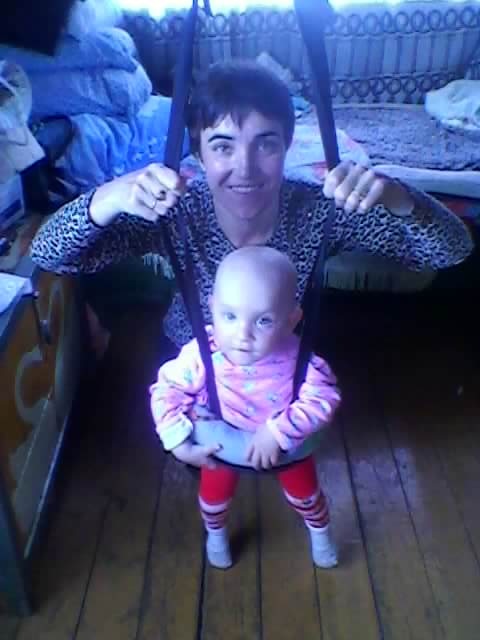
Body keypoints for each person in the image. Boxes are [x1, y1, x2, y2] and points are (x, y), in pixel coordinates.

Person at [30, 59, 473, 353]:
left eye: (265, 144)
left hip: (283, 364)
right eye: (223, 146)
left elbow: (451, 250)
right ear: (199, 155)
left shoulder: (316, 210)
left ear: (287, 146)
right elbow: (50, 254)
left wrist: (397, 196)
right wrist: (107, 197)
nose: (244, 168)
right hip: (191, 364)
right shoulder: (176, 211)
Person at [150, 246, 342, 569]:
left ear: (291, 320)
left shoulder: (299, 360)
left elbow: (324, 398)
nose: (243, 335)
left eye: (264, 320)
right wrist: (178, 442)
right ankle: (216, 535)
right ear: (212, 308)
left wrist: (278, 431)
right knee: (213, 497)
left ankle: (320, 532)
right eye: (229, 316)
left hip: (282, 439)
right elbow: (167, 390)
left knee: (305, 495)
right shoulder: (203, 354)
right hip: (224, 435)